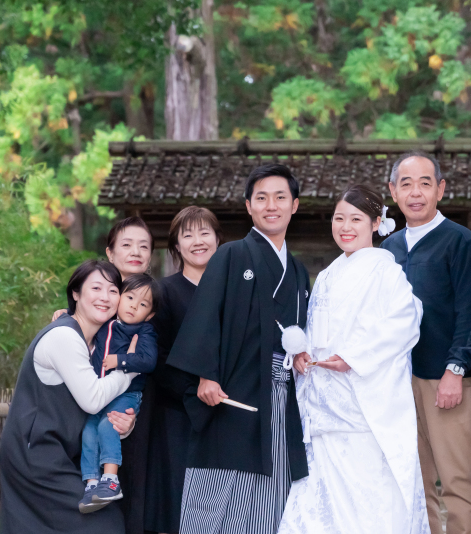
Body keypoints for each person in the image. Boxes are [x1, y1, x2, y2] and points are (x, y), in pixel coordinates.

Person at [278, 184, 430, 534]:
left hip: (362, 408)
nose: (345, 227)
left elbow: (406, 320)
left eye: (356, 219)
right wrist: (302, 354)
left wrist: (353, 356)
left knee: (366, 499)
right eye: (339, 218)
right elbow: (316, 328)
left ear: (376, 223)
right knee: (320, 503)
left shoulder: (386, 271)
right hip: (323, 406)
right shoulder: (327, 275)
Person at [168, 163, 310, 534]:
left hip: (279, 393)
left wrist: (302, 354)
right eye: (261, 198)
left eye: (280, 197)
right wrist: (206, 375)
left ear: (294, 205)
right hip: (232, 391)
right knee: (218, 486)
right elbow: (205, 314)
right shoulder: (231, 255)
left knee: (271, 486)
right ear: (249, 206)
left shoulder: (298, 271)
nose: (271, 206)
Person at [381, 151, 471, 534]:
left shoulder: (459, 242)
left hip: (445, 381)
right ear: (393, 191)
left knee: (458, 481)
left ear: (440, 190)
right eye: (406, 184)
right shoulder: (388, 250)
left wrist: (454, 370)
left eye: (425, 183)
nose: (416, 193)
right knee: (415, 483)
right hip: (398, 384)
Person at [0, 260, 137, 533]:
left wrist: (124, 424)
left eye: (113, 290)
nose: (105, 297)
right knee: (105, 525)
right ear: (75, 293)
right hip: (35, 454)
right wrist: (129, 368)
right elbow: (93, 400)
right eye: (95, 288)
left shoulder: (99, 344)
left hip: (61, 453)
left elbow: (99, 406)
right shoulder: (64, 336)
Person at [123, 206, 223, 534]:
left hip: (225, 412)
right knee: (177, 508)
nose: (198, 241)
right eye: (188, 235)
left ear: (218, 239)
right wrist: (193, 390)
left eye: (205, 233)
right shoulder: (163, 292)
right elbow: (158, 354)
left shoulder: (232, 290)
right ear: (176, 246)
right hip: (177, 413)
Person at [79, 274, 160, 513]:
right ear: (119, 298)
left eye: (143, 304)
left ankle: (111, 480)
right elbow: (82, 319)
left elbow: (149, 361)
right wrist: (65, 313)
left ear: (150, 314)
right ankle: (92, 483)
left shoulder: (144, 331)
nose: (134, 306)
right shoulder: (106, 323)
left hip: (126, 393)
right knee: (89, 430)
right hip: (102, 392)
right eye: (130, 297)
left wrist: (121, 361)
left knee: (108, 425)